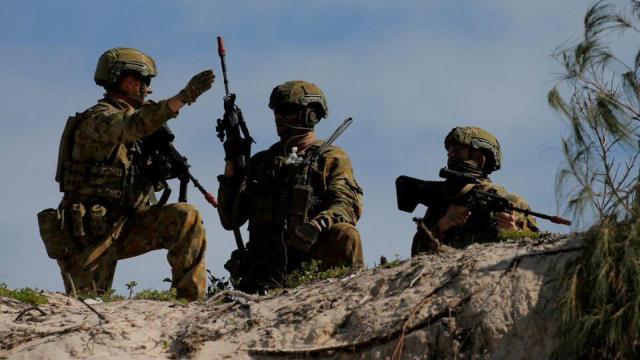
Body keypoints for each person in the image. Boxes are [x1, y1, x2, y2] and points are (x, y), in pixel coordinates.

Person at [48, 47, 214, 300]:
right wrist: (183, 97)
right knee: (88, 305)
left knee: (186, 217)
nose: (148, 89)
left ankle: (190, 304)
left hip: (127, 221)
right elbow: (132, 125)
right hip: (89, 232)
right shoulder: (98, 119)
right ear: (129, 81)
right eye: (145, 82)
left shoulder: (137, 128)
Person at [217, 80, 364, 293]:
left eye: (287, 110)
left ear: (311, 115)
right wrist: (232, 161)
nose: (279, 117)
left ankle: (349, 298)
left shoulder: (330, 157)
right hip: (265, 264)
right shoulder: (262, 162)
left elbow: (347, 204)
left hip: (310, 254)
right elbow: (230, 219)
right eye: (276, 110)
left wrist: (317, 224)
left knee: (346, 234)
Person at [411, 126, 538, 256]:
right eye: (449, 152)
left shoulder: (510, 202)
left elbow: (535, 252)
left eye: (457, 151)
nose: (450, 156)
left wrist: (512, 232)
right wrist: (443, 225)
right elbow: (416, 254)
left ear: (479, 158)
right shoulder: (443, 201)